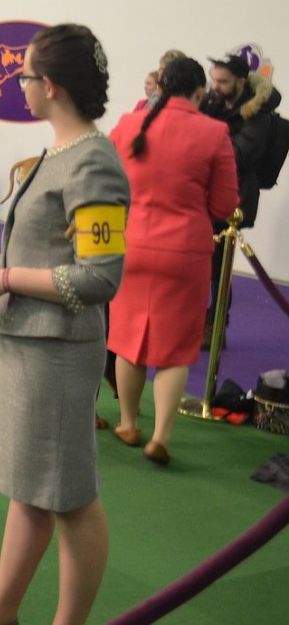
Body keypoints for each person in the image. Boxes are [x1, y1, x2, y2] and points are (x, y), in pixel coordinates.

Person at [0, 23, 129, 625]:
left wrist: (5, 280)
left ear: (49, 85)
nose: (18, 84)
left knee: (70, 497)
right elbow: (39, 250)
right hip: (27, 347)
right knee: (33, 490)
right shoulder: (59, 152)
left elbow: (99, 279)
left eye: (23, 75)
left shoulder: (94, 163)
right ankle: (0, 613)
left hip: (58, 354)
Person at [108, 57, 239, 466]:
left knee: (129, 341)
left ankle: (129, 423)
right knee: (176, 349)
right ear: (199, 93)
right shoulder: (215, 132)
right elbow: (223, 204)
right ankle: (161, 436)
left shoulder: (127, 125)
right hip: (186, 252)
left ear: (159, 87)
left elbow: (108, 182)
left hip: (130, 245)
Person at [199, 54, 281, 344]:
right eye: (214, 80)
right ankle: (199, 320)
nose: (215, 86)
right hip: (205, 193)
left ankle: (217, 324)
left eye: (223, 82)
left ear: (241, 82)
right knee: (200, 262)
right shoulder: (212, 102)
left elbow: (237, 156)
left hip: (235, 197)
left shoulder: (257, 114)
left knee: (219, 266)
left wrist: (201, 147)